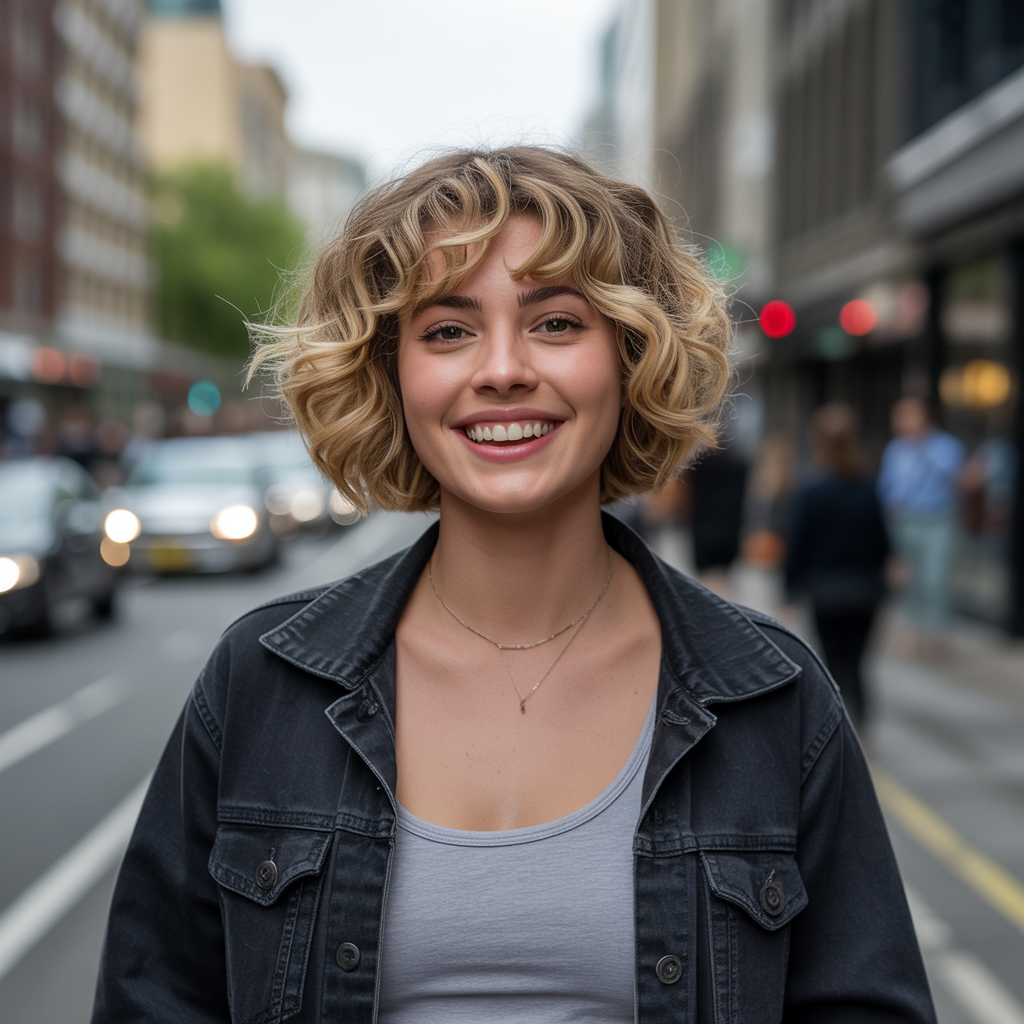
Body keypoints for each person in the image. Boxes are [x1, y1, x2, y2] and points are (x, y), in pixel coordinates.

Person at [92, 148, 935, 1023]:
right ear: (392, 375)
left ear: (631, 356)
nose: (501, 369)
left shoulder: (776, 701)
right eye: (448, 330)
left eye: (558, 323)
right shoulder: (260, 684)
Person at [785, 404, 890, 727]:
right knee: (858, 661)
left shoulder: (811, 491)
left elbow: (798, 545)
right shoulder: (868, 488)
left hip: (825, 590)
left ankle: (838, 727)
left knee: (832, 660)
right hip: (864, 589)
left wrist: (789, 589)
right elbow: (882, 542)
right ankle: (864, 726)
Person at [878, 395, 966, 655]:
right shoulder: (895, 448)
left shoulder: (945, 446)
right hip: (903, 519)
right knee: (908, 578)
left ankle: (938, 629)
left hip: (938, 519)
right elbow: (888, 486)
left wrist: (923, 450)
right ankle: (913, 629)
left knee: (934, 578)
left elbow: (956, 478)